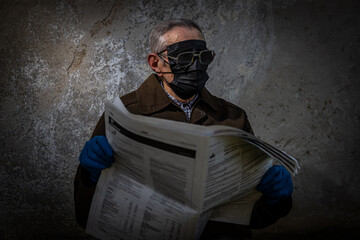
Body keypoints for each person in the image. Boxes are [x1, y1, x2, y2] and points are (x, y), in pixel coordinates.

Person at [74, 19, 293, 240]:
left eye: (203, 57)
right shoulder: (124, 116)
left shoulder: (233, 118)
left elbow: (254, 218)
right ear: (155, 63)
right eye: (184, 58)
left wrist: (274, 199)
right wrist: (89, 177)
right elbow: (85, 215)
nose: (196, 66)